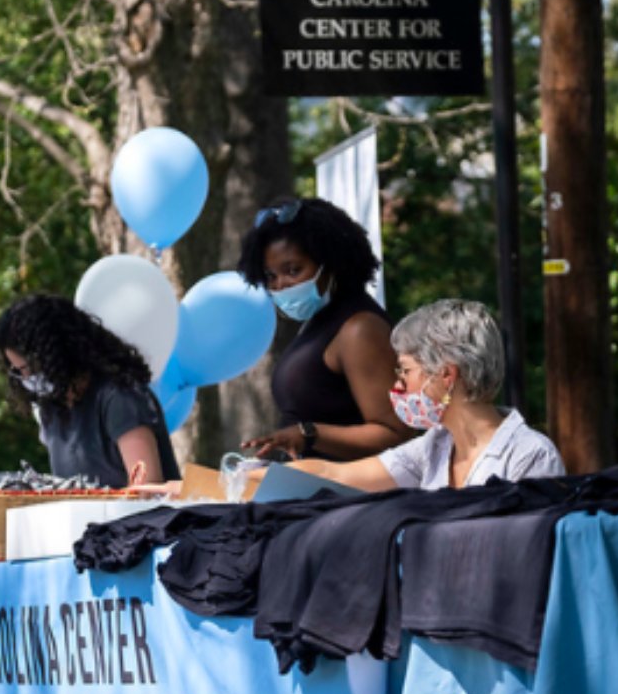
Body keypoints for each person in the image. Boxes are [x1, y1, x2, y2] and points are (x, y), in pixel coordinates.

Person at [280, 299, 565, 492]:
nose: (398, 384)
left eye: (405, 370)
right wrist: (257, 477)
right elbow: (335, 475)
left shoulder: (530, 456)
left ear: (446, 375)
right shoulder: (433, 447)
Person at [236, 196, 411, 460]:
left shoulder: (360, 328)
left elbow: (395, 433)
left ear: (331, 263)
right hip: (305, 482)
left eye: (293, 270)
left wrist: (309, 434)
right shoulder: (318, 320)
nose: (280, 285)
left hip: (349, 486)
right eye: (271, 276)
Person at [0, 294, 180, 488]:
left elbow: (148, 487)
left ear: (56, 355)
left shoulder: (119, 397)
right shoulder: (53, 409)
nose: (26, 378)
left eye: (29, 368)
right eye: (18, 371)